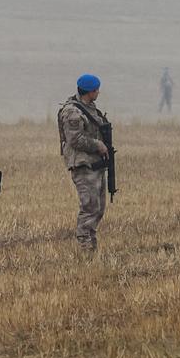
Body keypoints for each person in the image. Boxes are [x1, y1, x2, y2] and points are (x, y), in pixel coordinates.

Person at [58, 74, 111, 252]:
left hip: (94, 164)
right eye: (96, 90)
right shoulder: (73, 112)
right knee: (89, 206)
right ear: (90, 91)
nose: (98, 92)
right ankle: (84, 246)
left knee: (98, 208)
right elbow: (75, 139)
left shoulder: (90, 109)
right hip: (83, 165)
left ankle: (91, 245)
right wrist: (98, 145)